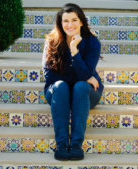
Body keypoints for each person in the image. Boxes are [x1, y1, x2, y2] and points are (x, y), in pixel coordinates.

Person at [42, 3, 103, 161]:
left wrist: (74, 50)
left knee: (81, 86)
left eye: (74, 20)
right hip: (58, 93)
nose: (70, 25)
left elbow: (86, 74)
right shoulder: (52, 42)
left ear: (81, 21)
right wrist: (84, 76)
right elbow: (50, 77)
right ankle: (61, 144)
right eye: (66, 21)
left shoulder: (92, 42)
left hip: (86, 93)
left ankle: (76, 145)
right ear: (60, 23)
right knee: (62, 86)